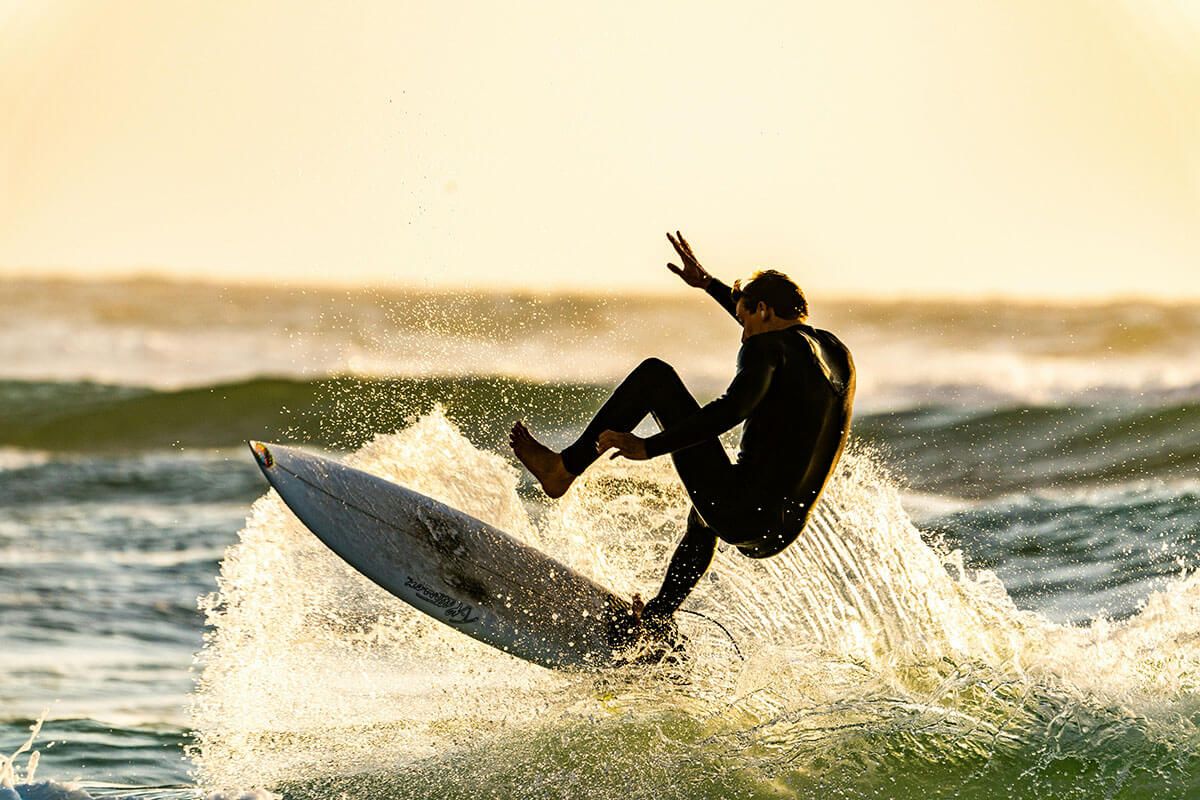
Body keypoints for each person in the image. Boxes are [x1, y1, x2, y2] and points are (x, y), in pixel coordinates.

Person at [510, 231, 855, 649]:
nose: (743, 334)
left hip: (741, 511)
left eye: (745, 320)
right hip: (780, 529)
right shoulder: (835, 353)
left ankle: (561, 469)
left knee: (656, 376)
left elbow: (731, 410)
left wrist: (648, 446)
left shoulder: (765, 348)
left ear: (763, 311)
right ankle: (656, 619)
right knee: (704, 511)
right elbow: (774, 338)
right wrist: (708, 283)